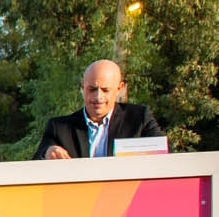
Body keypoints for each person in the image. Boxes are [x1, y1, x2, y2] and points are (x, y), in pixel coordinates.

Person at [36, 59, 164, 159]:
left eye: (105, 90)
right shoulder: (59, 128)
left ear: (119, 89)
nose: (98, 97)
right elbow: (37, 161)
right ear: (83, 87)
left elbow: (164, 157)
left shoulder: (139, 119)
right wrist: (47, 153)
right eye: (92, 89)